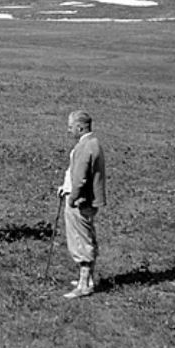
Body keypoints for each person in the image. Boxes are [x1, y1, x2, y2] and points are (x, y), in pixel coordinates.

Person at [57, 109, 106, 298]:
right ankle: (87, 279)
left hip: (79, 201)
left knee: (80, 241)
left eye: (71, 127)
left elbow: (80, 179)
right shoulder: (94, 143)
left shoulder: (85, 147)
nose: (69, 131)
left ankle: (84, 285)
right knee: (87, 237)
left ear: (80, 127)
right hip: (87, 200)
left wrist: (71, 197)